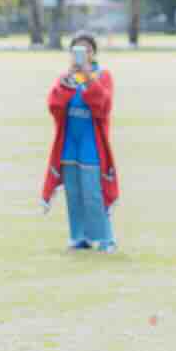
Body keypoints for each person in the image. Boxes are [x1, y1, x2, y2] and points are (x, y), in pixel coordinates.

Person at [41, 33, 120, 252]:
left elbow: (103, 106)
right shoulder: (65, 78)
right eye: (76, 50)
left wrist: (87, 79)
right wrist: (67, 83)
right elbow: (54, 106)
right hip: (69, 142)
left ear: (93, 53)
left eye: (86, 50)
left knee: (93, 192)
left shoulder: (103, 76)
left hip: (91, 143)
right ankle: (79, 237)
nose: (81, 55)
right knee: (73, 193)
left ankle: (105, 239)